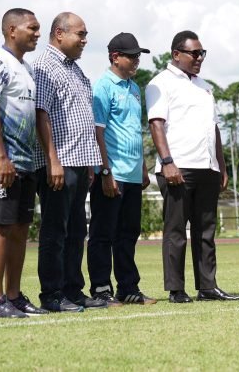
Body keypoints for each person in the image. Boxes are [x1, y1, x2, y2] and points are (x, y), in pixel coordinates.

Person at [146, 30, 239, 302]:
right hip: (178, 167)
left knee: (206, 230)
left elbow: (214, 128)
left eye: (202, 53)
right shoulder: (160, 83)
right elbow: (156, 124)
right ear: (176, 54)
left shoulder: (204, 86)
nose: (200, 58)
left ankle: (208, 287)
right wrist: (168, 162)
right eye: (195, 53)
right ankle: (176, 290)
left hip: (207, 167)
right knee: (176, 231)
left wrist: (221, 166)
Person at [32, 12, 106, 313]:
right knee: (55, 231)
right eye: (81, 34)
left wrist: (88, 163)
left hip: (78, 162)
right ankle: (51, 294)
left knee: (76, 231)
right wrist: (53, 160)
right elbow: (41, 114)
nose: (85, 40)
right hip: (58, 163)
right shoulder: (44, 66)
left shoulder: (75, 69)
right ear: (59, 33)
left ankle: (73, 290)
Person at [0, 8, 47, 318]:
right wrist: (1, 157)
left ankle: (14, 296)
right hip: (0, 162)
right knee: (2, 227)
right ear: (11, 30)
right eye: (32, 28)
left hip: (25, 163)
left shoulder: (26, 68)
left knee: (21, 228)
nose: (37, 33)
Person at [87, 32, 156, 306]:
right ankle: (101, 289)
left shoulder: (134, 88)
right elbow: (98, 132)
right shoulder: (102, 87)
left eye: (138, 56)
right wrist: (105, 172)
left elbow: (134, 130)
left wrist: (143, 168)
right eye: (132, 56)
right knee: (103, 234)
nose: (137, 60)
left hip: (133, 174)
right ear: (115, 57)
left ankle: (128, 288)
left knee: (128, 233)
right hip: (111, 173)